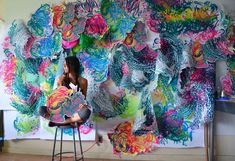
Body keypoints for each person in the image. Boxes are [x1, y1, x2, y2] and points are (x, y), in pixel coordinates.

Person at [39, 56, 91, 124]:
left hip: (75, 111)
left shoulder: (83, 81)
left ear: (72, 66)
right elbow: (59, 97)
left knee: (86, 112)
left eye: (65, 65)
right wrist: (60, 83)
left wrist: (83, 105)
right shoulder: (60, 79)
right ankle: (67, 120)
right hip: (61, 110)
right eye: (64, 65)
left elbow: (84, 98)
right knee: (41, 109)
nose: (64, 67)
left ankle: (62, 121)